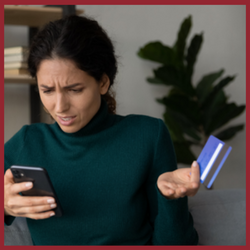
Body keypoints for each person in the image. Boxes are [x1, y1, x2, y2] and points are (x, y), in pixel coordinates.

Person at [4, 15, 200, 245]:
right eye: (46, 90)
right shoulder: (28, 141)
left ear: (103, 83)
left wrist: (171, 200)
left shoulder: (148, 136)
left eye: (74, 89)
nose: (59, 107)